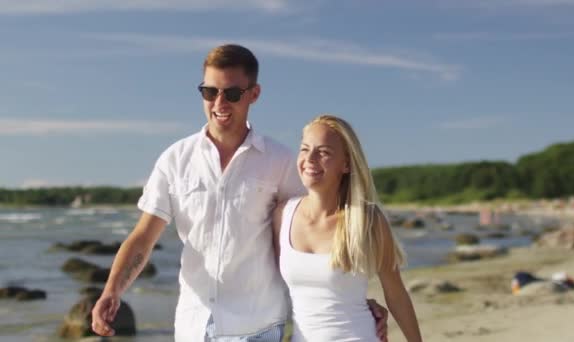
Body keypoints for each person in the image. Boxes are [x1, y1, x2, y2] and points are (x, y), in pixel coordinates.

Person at [91, 44, 388, 341]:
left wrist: (354, 302)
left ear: (254, 94)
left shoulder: (281, 161)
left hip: (257, 326)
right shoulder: (175, 159)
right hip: (193, 326)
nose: (219, 103)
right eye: (210, 92)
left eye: (231, 94)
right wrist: (112, 291)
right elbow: (144, 236)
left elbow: (318, 234)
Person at [272, 115, 423, 341]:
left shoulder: (367, 219)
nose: (310, 158)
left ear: (346, 164)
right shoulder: (282, 215)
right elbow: (271, 287)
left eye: (323, 152)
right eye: (304, 149)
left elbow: (396, 293)